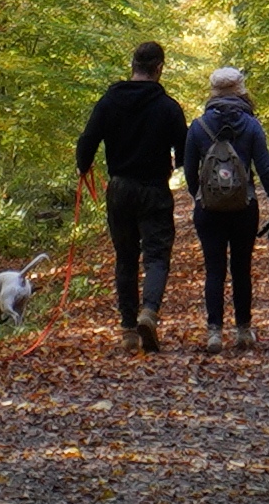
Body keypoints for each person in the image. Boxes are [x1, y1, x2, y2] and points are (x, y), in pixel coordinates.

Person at [69, 41, 194, 351]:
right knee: (156, 256)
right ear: (159, 68)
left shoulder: (110, 101)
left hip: (120, 188)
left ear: (133, 65)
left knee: (125, 257)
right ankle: (149, 312)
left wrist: (84, 167)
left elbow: (87, 142)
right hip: (154, 189)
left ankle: (127, 329)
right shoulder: (168, 107)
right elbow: (185, 152)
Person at [183, 63, 269, 350]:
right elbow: (265, 169)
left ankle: (214, 332)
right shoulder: (251, 125)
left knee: (213, 269)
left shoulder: (198, 126)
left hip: (209, 210)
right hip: (244, 207)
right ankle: (243, 330)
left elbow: (190, 170)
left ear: (213, 92)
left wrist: (199, 197)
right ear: (240, 90)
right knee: (241, 268)